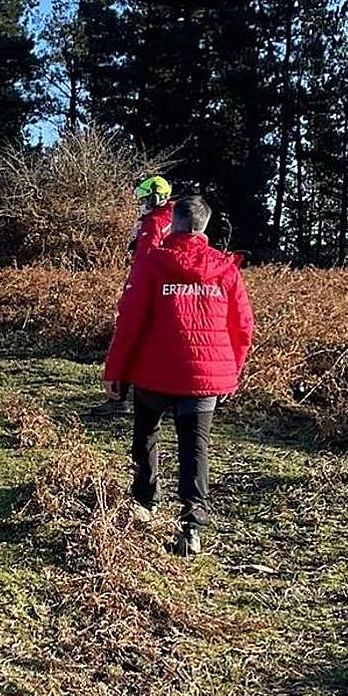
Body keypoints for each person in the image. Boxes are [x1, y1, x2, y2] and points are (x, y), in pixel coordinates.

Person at [102, 195, 254, 556]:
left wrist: (116, 371)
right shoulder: (226, 268)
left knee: (147, 435)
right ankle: (191, 525)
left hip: (153, 374)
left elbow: (131, 322)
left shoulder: (152, 262)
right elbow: (243, 326)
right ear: (204, 226)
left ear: (174, 223)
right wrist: (231, 372)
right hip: (203, 380)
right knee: (194, 448)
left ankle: (144, 503)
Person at [93, 174, 176, 417]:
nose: (141, 203)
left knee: (130, 338)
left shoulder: (152, 223)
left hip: (147, 288)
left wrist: (133, 287)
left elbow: (144, 258)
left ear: (155, 198)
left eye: (144, 198)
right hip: (168, 291)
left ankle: (119, 397)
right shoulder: (174, 218)